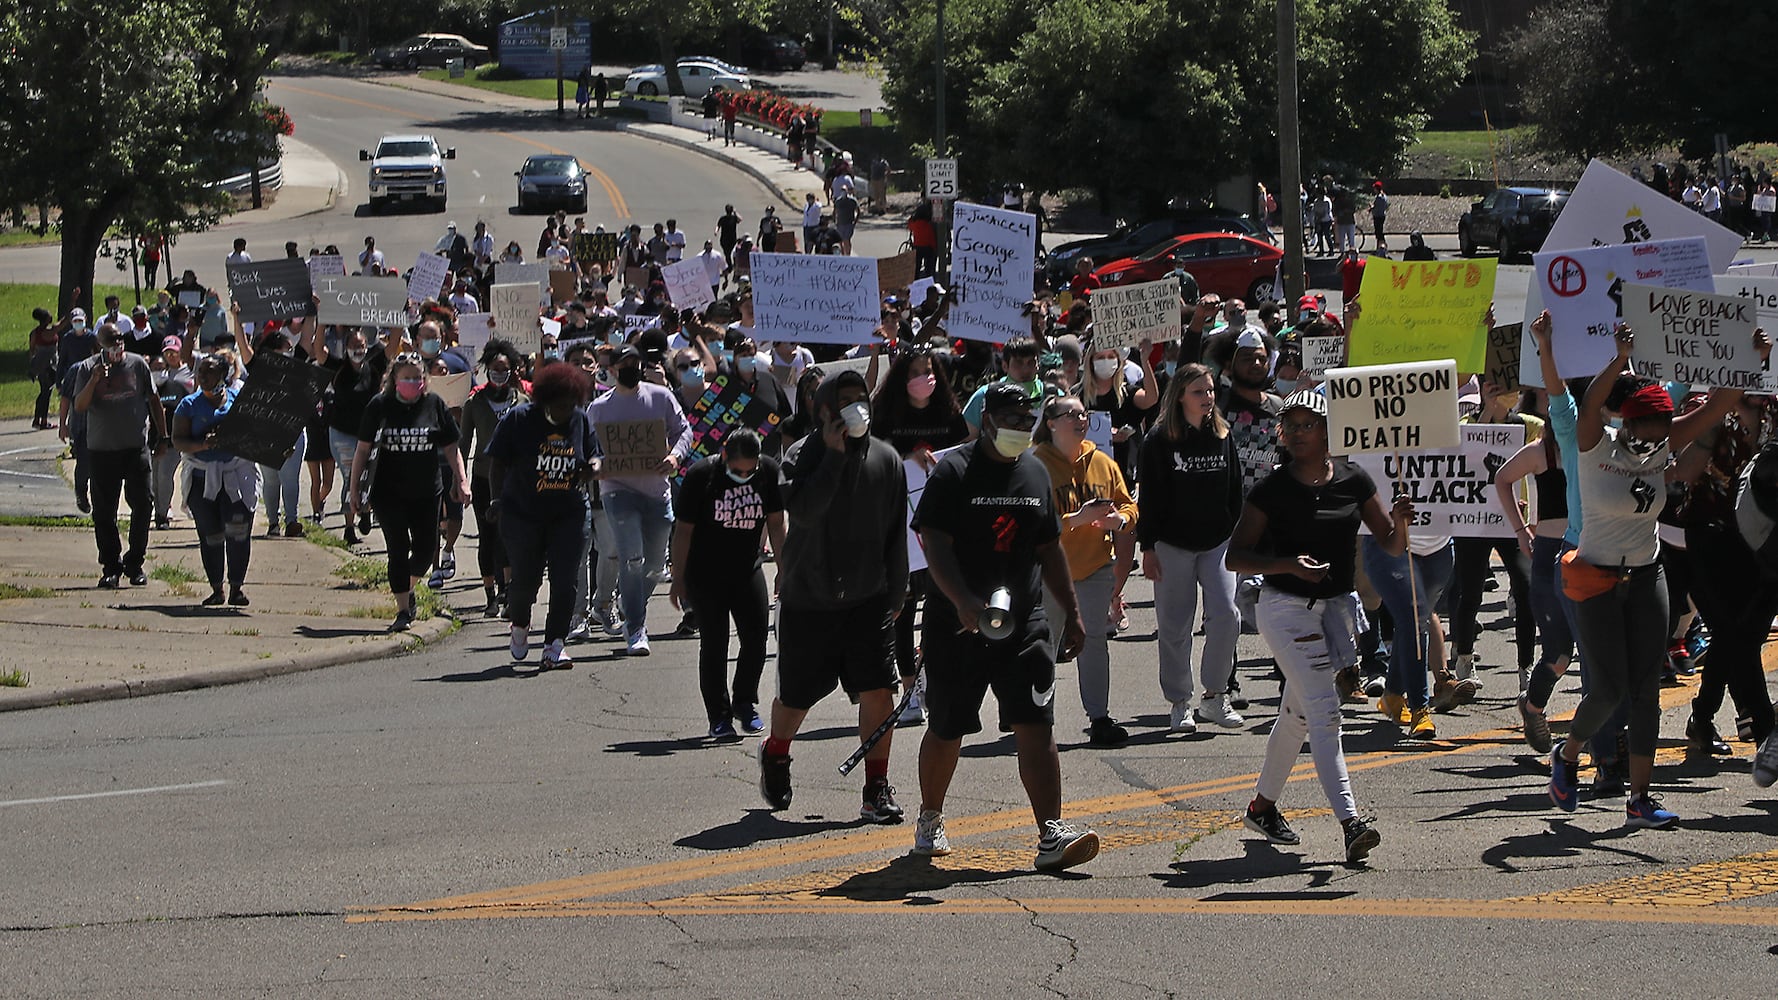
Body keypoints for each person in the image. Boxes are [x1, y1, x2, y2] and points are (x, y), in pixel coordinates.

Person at [1539, 313, 1760, 828]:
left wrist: (1752, 357)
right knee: (1609, 689)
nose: (1658, 437)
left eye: (1665, 429)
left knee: (1646, 689)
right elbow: (1590, 402)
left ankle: (1640, 797)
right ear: (1630, 422)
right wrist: (1618, 358)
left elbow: (1723, 402)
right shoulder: (1596, 443)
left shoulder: (1664, 442)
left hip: (1647, 575)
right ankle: (1567, 756)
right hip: (1595, 577)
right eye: (1650, 428)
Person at [910, 382, 1100, 870]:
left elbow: (1049, 549)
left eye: (1025, 420)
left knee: (1036, 724)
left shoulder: (1034, 472)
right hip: (959, 624)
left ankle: (1050, 834)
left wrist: (1073, 614)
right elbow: (934, 544)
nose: (1019, 428)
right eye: (1010, 419)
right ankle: (931, 817)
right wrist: (963, 602)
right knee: (947, 726)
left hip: (1024, 623)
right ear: (988, 420)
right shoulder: (954, 472)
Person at [1226, 388, 1406, 863]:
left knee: (1298, 715)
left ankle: (1262, 807)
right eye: (1291, 425)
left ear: (1329, 431)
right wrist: (1288, 564)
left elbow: (1389, 543)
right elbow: (1235, 555)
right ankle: (1350, 823)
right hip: (1284, 609)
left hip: (1333, 611)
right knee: (1325, 712)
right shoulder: (1272, 489)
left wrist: (1403, 522)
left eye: (1309, 424)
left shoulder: (1354, 479)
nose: (1298, 432)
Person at [758, 370, 908, 823]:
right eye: (843, 401)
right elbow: (802, 511)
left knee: (879, 693)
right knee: (797, 699)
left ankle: (876, 786)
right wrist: (834, 455)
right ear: (823, 410)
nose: (855, 408)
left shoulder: (887, 458)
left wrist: (897, 589)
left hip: (868, 599)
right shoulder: (801, 454)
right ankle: (776, 751)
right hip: (810, 600)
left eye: (860, 399)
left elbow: (896, 531)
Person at [1139, 363, 1245, 733]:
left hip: (1217, 543)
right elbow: (1148, 498)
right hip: (1171, 544)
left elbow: (1235, 488)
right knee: (1174, 625)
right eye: (1199, 391)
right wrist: (1148, 547)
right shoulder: (1158, 440)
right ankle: (1179, 701)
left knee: (1227, 615)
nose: (1208, 398)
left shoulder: (1222, 434)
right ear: (1180, 395)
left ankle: (1215, 696)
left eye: (1211, 390)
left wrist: (1234, 532)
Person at [1032, 394, 1139, 746]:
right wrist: (1077, 519)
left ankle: (1099, 718)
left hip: (1094, 568)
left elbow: (1128, 506)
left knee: (1093, 641)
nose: (1081, 419)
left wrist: (1120, 519)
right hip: (1050, 571)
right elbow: (1030, 521)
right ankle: (1035, 716)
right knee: (1042, 645)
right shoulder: (1036, 465)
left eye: (1084, 414)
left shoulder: (1103, 462)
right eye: (1072, 414)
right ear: (1051, 423)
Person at [872, 344, 970, 724]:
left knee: (942, 606)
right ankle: (909, 686)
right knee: (903, 608)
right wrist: (906, 460)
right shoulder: (885, 417)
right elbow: (872, 458)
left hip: (942, 529)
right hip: (899, 529)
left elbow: (964, 451)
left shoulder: (947, 412)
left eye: (929, 371)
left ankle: (930, 675)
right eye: (915, 373)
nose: (924, 379)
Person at [669, 429, 787, 738]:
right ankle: (718, 717)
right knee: (715, 643)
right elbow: (683, 531)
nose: (744, 475)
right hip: (704, 574)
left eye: (750, 470)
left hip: (746, 569)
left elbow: (776, 522)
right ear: (724, 456)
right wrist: (678, 578)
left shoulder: (769, 473)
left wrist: (784, 569)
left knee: (757, 637)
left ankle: (744, 703)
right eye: (737, 470)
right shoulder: (702, 475)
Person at [485, 359, 595, 669]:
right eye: (560, 407)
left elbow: (594, 457)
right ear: (544, 400)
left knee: (565, 580)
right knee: (525, 582)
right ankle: (520, 625)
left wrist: (592, 470)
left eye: (571, 406)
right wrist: (496, 500)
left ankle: (554, 645)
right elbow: (497, 463)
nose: (565, 413)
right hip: (523, 513)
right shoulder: (518, 419)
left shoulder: (580, 420)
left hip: (569, 513)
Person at [350, 353, 471, 632]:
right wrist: (354, 488)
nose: (412, 382)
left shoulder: (434, 404)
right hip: (388, 492)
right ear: (394, 379)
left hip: (427, 491)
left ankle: (409, 585)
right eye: (406, 378)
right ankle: (403, 610)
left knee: (426, 552)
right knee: (397, 548)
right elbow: (363, 449)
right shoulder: (379, 406)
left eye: (417, 377)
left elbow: (452, 447)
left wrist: (461, 481)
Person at [588, 343, 693, 656]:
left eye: (635, 362)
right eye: (625, 364)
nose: (631, 368)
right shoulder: (599, 407)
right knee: (631, 557)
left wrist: (675, 456)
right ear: (613, 369)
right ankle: (636, 626)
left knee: (655, 564)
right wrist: (595, 465)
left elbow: (683, 431)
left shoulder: (660, 397)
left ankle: (630, 600)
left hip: (657, 492)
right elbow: (589, 447)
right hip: (617, 490)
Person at [72, 322, 164, 588]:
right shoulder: (87, 368)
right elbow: (80, 405)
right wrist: (94, 380)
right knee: (104, 512)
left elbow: (154, 400)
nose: (117, 346)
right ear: (99, 343)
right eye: (111, 341)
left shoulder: (137, 365)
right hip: (102, 451)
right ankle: (110, 566)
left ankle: (135, 563)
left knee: (143, 504)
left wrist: (162, 437)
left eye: (120, 340)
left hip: (135, 448)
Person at [171, 354, 259, 606]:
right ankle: (216, 588)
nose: (203, 377)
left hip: (237, 475)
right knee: (210, 534)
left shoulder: (238, 401)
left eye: (209, 373)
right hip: (202, 479)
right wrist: (203, 444)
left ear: (224, 376)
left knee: (239, 531)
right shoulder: (188, 405)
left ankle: (236, 588)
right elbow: (178, 440)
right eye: (200, 373)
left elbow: (255, 433)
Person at [460, 339, 529, 618]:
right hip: (482, 478)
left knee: (509, 537)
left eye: (505, 369)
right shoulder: (474, 403)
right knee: (487, 538)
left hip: (515, 480)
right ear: (486, 370)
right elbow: (464, 443)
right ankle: (490, 595)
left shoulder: (522, 402)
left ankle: (509, 592)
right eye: (494, 368)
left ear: (512, 371)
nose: (499, 373)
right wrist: (459, 480)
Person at [151, 335, 196, 529]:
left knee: (164, 475)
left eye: (173, 352)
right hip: (151, 438)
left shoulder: (181, 383)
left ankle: (162, 514)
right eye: (166, 353)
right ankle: (158, 508)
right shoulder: (151, 387)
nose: (170, 357)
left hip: (173, 440)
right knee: (154, 478)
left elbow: (189, 407)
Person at [29, 306, 63, 429]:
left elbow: (32, 350)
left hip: (39, 365)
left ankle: (38, 419)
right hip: (49, 366)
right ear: (46, 319)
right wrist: (73, 301)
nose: (51, 316)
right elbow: (64, 322)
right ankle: (42, 420)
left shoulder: (34, 333)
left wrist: (33, 367)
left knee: (43, 392)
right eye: (49, 315)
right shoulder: (49, 332)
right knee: (46, 393)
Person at [1369, 180, 1390, 250]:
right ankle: (1379, 246)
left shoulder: (1379, 197)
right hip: (1382, 215)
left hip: (1377, 216)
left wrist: (1371, 207)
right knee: (1380, 232)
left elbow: (1375, 207)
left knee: (1378, 233)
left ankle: (1382, 246)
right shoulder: (1384, 196)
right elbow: (1386, 206)